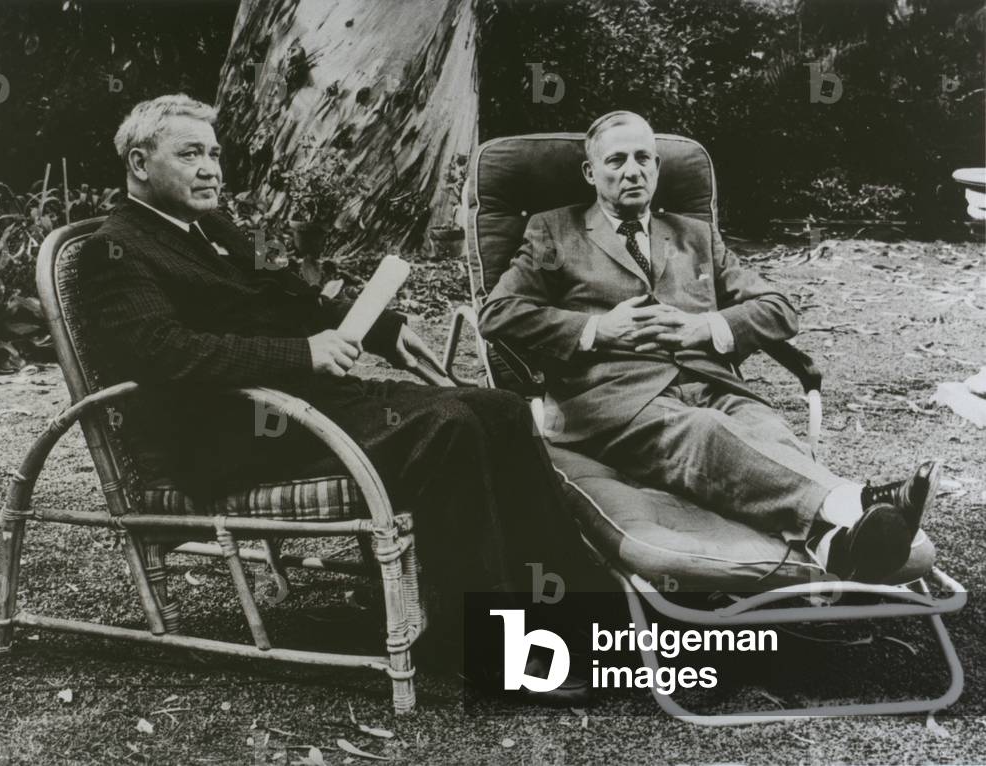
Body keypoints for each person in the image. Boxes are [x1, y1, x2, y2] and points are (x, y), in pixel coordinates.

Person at [76, 94, 594, 702]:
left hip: (297, 405)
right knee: (448, 428)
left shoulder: (213, 228)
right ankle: (475, 648)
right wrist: (304, 354)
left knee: (500, 409)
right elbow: (167, 355)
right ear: (139, 163)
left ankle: (582, 620)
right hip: (228, 435)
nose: (211, 169)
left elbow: (297, 285)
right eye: (190, 154)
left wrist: (384, 329)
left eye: (214, 154)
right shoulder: (112, 251)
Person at [478, 110, 940, 583]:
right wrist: (599, 329)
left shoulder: (694, 235)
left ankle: (830, 543)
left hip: (714, 381)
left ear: (657, 167)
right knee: (704, 432)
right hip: (617, 401)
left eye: (643, 158)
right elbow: (497, 313)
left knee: (766, 429)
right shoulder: (554, 230)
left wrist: (706, 328)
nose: (632, 171)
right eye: (616, 160)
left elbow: (780, 308)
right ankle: (859, 503)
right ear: (590, 172)